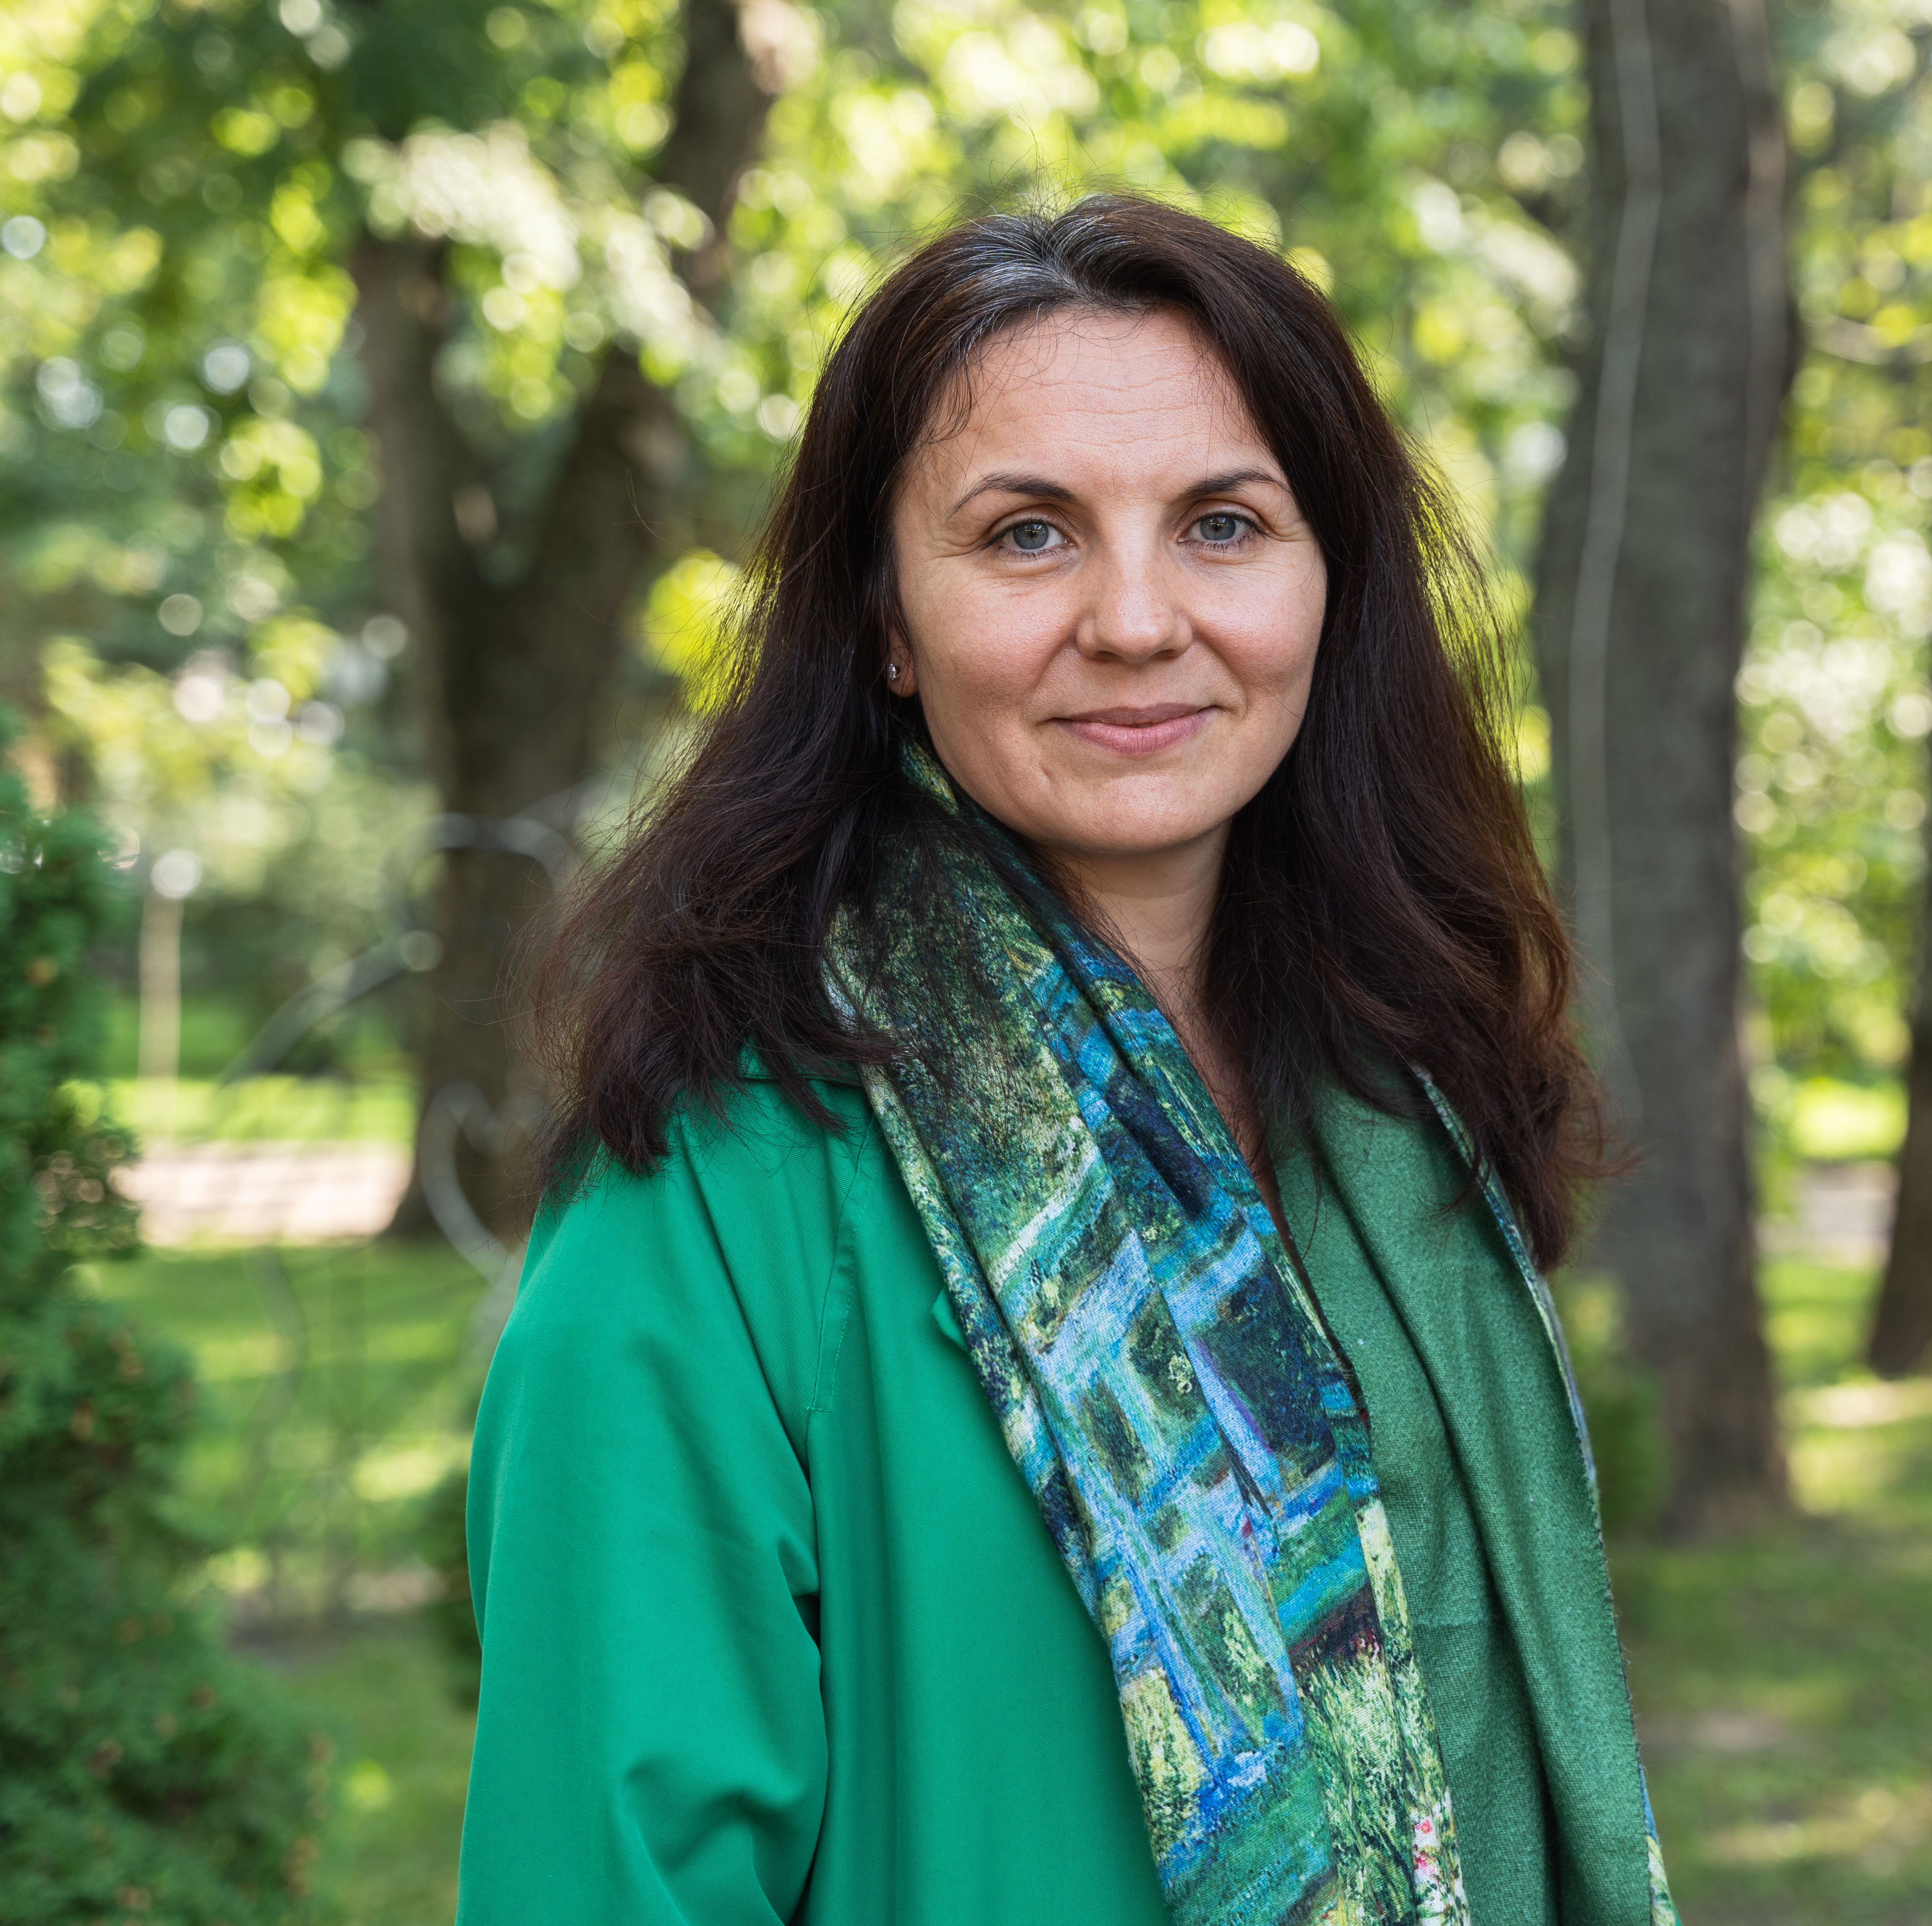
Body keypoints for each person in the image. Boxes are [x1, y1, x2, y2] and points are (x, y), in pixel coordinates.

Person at [457, 194, 1679, 1926]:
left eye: (1222, 525)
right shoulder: (718, 1196)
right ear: (885, 619)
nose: (1133, 617)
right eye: (1027, 535)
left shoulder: (1400, 1121)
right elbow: (604, 1877)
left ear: (1330, 584)